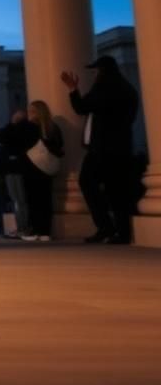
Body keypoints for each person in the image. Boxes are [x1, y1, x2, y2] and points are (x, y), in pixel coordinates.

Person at [63, 55, 139, 244]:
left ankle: (106, 227)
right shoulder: (129, 89)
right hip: (122, 147)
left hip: (102, 149)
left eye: (96, 71)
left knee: (87, 182)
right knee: (118, 191)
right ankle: (121, 232)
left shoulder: (104, 88)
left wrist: (73, 89)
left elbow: (81, 107)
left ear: (102, 71)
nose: (94, 75)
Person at [22, 100, 64, 242]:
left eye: (31, 111)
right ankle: (45, 231)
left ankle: (35, 230)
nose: (29, 113)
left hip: (32, 168)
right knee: (45, 200)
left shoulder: (30, 127)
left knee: (34, 200)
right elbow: (59, 147)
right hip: (46, 168)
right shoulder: (53, 128)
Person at [0, 109, 38, 238]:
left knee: (21, 199)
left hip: (21, 168)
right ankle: (19, 226)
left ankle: (24, 226)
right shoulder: (11, 129)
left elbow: (20, 141)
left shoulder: (29, 128)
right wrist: (12, 124)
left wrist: (17, 125)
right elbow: (2, 137)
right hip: (10, 168)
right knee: (15, 199)